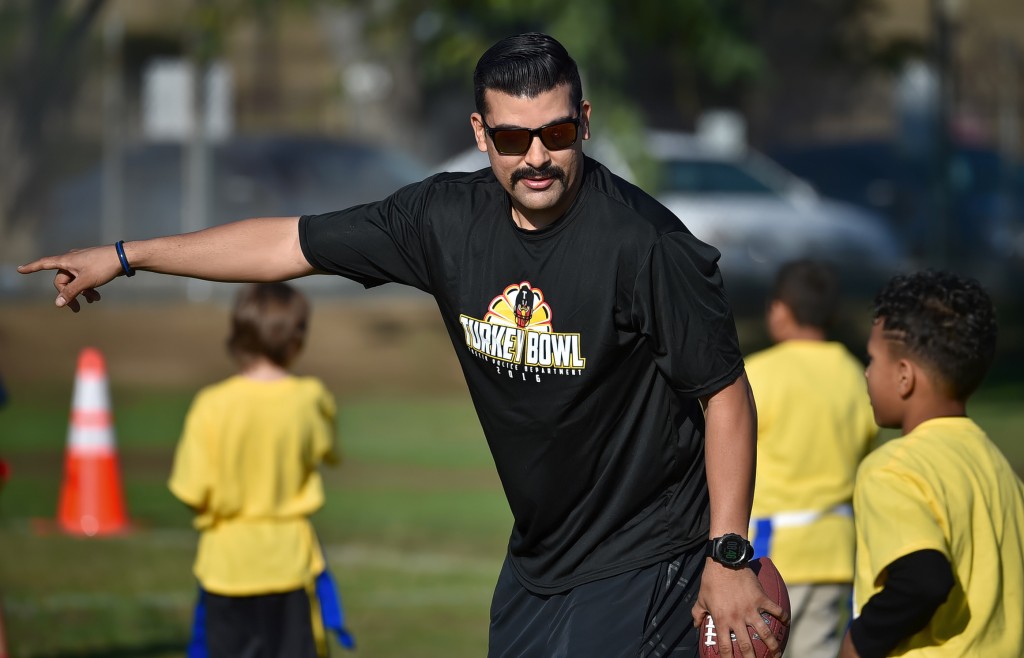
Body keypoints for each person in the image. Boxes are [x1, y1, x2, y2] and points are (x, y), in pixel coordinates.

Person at [19, 32, 784, 657]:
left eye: (555, 132)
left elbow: (724, 396)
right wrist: (127, 255)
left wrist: (726, 557)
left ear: (582, 120)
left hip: (648, 555)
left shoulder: (644, 244)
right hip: (539, 561)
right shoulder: (442, 220)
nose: (537, 157)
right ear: (481, 134)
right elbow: (287, 244)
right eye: (513, 137)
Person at [838, 270, 1024, 658]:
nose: (867, 372)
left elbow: (922, 579)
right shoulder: (999, 469)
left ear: (904, 376)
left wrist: (857, 644)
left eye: (872, 359)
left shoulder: (893, 468)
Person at [169, 282, 345, 658]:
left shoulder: (211, 405)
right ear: (296, 340)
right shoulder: (310, 398)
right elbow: (326, 449)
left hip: (227, 563)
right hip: (290, 562)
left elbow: (191, 490)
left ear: (239, 335)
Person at [744, 259, 877, 658]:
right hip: (835, 553)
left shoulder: (760, 373)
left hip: (771, 556)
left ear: (780, 310)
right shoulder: (856, 375)